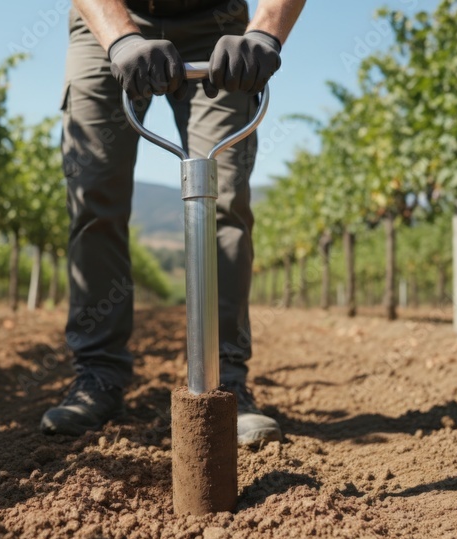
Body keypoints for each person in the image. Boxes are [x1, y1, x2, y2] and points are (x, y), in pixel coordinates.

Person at [41, 0, 305, 446]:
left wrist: (264, 33)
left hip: (216, 24)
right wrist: (122, 38)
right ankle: (98, 377)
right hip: (110, 17)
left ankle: (224, 382)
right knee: (94, 193)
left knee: (224, 197)